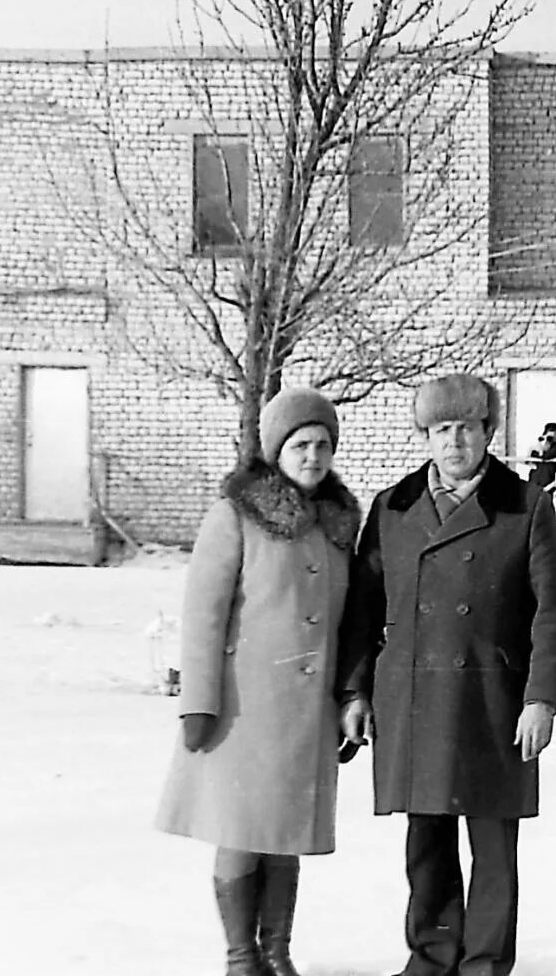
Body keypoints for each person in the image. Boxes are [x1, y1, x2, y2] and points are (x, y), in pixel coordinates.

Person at [338, 373, 556, 976]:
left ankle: (486, 962)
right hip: (414, 695)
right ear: (426, 436)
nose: (454, 443)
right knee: (427, 839)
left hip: (494, 699)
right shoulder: (393, 508)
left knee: (494, 843)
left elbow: (554, 612)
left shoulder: (525, 506)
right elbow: (365, 609)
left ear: (488, 433)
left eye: (466, 429)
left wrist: (542, 699)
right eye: (441, 430)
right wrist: (356, 690)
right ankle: (432, 954)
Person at [153, 387, 361, 976]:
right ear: (275, 451)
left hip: (309, 712)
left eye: (322, 445)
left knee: (285, 836)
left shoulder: (340, 523)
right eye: (300, 445)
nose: (312, 456)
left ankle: (278, 952)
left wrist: (350, 695)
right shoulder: (234, 516)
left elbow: (353, 619)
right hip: (243, 709)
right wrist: (199, 701)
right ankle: (242, 956)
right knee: (241, 830)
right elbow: (203, 612)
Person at [526, 422, 556, 489]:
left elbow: (546, 457)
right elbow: (531, 458)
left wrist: (546, 444)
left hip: (547, 480)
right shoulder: (539, 446)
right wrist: (540, 444)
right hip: (535, 479)